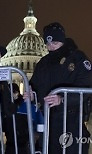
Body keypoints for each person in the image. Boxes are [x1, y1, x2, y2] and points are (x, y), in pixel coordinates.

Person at [29, 22, 92, 154]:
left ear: (62, 41)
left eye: (55, 43)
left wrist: (62, 98)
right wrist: (31, 94)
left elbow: (86, 85)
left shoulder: (77, 58)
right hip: (49, 119)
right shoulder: (43, 62)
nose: (51, 47)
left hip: (72, 118)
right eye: (48, 44)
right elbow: (34, 84)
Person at [3, 83, 44, 154]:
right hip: (21, 145)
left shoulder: (29, 107)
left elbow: (41, 126)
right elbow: (41, 125)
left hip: (22, 145)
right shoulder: (29, 106)